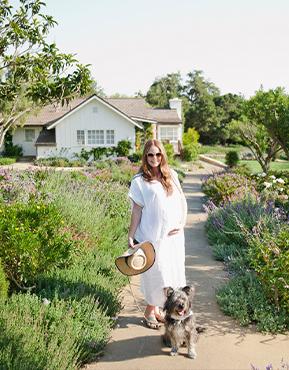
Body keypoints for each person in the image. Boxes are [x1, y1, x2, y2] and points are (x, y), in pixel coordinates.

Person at [128, 139, 187, 329]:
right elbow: (137, 210)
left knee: (170, 274)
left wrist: (181, 223)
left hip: (173, 238)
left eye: (158, 154)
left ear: (163, 156)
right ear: (145, 157)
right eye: (150, 155)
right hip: (152, 236)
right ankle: (149, 311)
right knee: (158, 273)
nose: (154, 158)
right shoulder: (139, 181)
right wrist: (131, 234)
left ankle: (157, 311)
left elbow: (181, 202)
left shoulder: (172, 176)